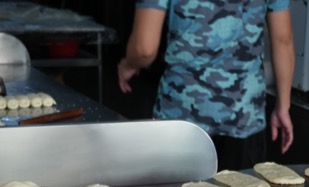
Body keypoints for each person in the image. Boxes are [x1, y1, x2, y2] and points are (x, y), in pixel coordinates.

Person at [118, 0, 295, 171]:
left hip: (181, 116)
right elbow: (283, 39)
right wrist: (283, 106)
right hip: (244, 115)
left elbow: (144, 49)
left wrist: (129, 65)